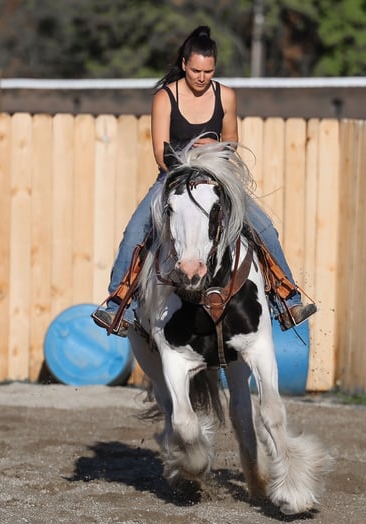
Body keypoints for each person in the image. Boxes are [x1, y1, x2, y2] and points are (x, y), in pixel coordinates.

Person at [92, 25, 316, 337]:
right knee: (134, 232)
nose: (201, 78)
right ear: (184, 64)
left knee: (265, 228)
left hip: (216, 178)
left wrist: (212, 150)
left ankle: (287, 300)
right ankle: (118, 305)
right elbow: (161, 153)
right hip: (174, 178)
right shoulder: (164, 98)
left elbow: (232, 141)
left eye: (208, 71)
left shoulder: (225, 96)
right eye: (196, 70)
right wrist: (191, 152)